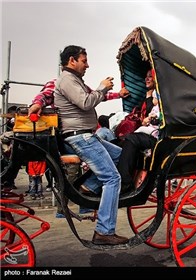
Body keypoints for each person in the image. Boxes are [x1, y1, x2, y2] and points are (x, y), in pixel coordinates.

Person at [54, 45, 128, 245]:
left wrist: (111, 92)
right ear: (72, 60)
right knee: (113, 179)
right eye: (84, 60)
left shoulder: (73, 80)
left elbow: (91, 97)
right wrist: (102, 87)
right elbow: (86, 102)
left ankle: (88, 186)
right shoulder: (67, 80)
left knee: (121, 155)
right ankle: (104, 231)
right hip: (81, 137)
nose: (87, 65)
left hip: (87, 136)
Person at [117, 68, 160, 191]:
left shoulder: (159, 96)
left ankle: (125, 181)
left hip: (157, 134)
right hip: (147, 129)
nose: (147, 79)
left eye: (150, 76)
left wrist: (149, 99)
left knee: (131, 139)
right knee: (122, 140)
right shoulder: (150, 96)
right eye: (146, 76)